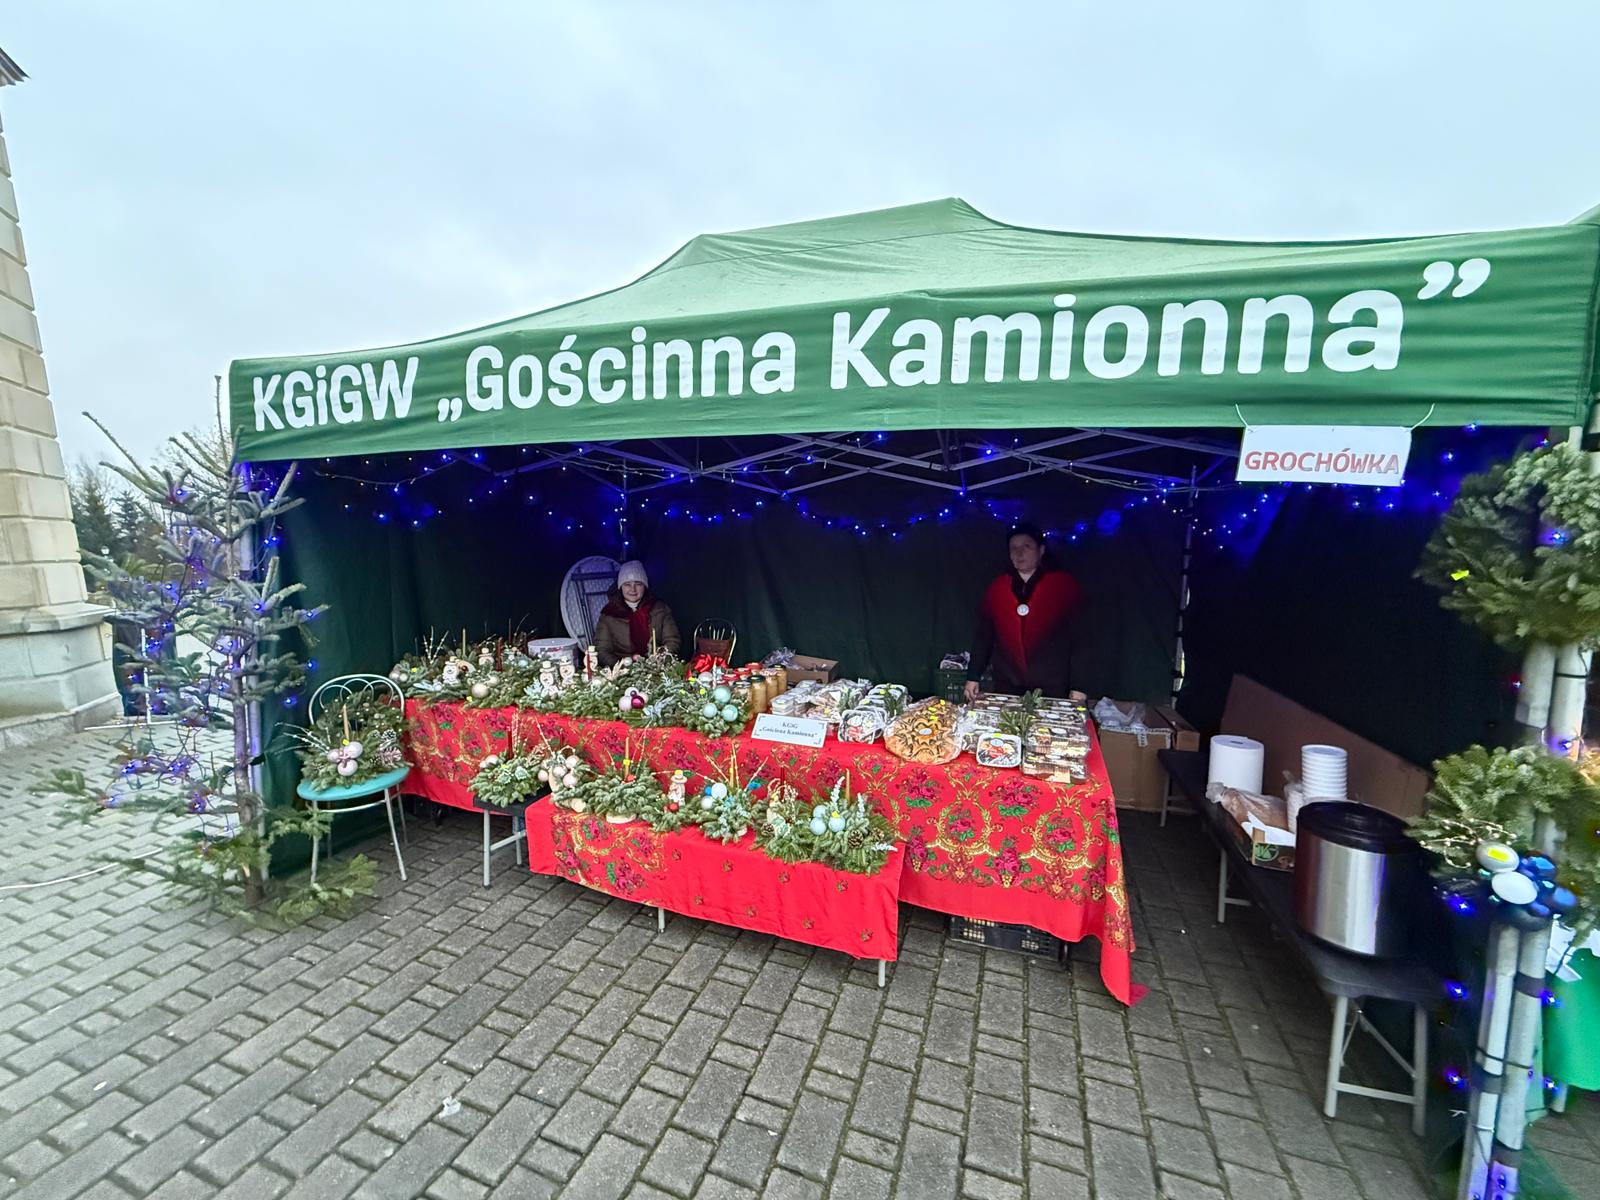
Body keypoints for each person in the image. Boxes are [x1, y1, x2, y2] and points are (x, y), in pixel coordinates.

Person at [964, 524, 1082, 700]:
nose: (1019, 553)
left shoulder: (1064, 586)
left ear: (1041, 550)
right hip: (1008, 683)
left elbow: (1081, 639)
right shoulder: (998, 587)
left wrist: (1079, 685)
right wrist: (973, 676)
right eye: (1014, 548)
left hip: (1053, 684)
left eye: (1027, 547)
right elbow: (985, 635)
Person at [594, 560, 682, 666]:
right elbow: (602, 650)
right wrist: (622, 666)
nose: (633, 589)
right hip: (623, 669)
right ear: (620, 587)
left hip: (656, 667)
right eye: (627, 584)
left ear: (645, 586)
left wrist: (657, 661)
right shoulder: (609, 614)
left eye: (638, 584)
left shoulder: (660, 609)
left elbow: (672, 641)